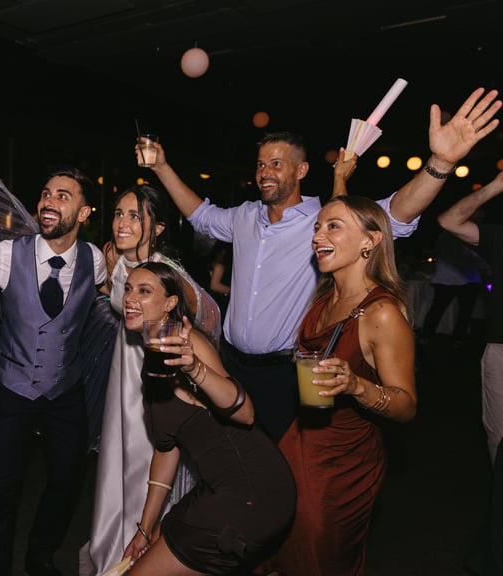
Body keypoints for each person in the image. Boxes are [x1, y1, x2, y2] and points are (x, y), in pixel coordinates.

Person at [143, 87, 501, 442]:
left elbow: (395, 213)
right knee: (234, 459)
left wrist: (440, 164)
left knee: (284, 464)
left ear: (301, 170)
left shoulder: (324, 221)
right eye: (261, 164)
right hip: (231, 364)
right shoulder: (244, 216)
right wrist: (161, 166)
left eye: (277, 164)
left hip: (286, 372)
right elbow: (202, 216)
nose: (265, 172)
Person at [259, 195, 418, 576]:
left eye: (333, 227)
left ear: (370, 241)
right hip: (299, 445)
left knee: (319, 560)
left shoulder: (381, 313)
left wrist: (357, 386)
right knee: (276, 553)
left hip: (344, 466)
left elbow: (407, 406)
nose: (317, 236)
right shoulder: (323, 298)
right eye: (317, 227)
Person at [117, 262, 296, 575]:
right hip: (217, 487)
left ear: (170, 303)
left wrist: (194, 368)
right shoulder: (156, 357)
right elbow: (166, 450)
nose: (130, 298)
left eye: (144, 291)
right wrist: (144, 529)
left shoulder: (189, 346)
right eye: (128, 289)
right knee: (159, 543)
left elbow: (245, 413)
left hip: (250, 491)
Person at [80, 184, 221, 576]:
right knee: (115, 462)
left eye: (135, 216)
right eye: (118, 214)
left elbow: (207, 317)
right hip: (120, 373)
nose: (122, 223)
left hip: (154, 374)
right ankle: (112, 551)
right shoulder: (114, 259)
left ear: (157, 228)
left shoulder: (165, 270)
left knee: (145, 466)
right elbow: (109, 299)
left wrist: (181, 351)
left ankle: (142, 556)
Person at [0, 167, 107, 576]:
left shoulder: (95, 260)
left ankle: (40, 556)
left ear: (84, 213)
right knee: (0, 490)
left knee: (67, 481)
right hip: (12, 390)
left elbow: (111, 304)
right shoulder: (4, 256)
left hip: (66, 392)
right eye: (47, 193)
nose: (49, 201)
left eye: (63, 196)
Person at [437, 169, 503, 468]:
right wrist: (495, 186)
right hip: (501, 349)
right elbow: (449, 221)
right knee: (499, 439)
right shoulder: (498, 236)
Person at [421, 228, 489, 347]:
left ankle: (428, 336)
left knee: (442, 310)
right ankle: (454, 338)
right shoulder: (461, 233)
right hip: (459, 278)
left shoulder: (444, 235)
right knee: (456, 311)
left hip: (456, 278)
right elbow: (473, 255)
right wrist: (488, 268)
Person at [208, 240, 232, 318]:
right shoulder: (219, 266)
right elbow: (214, 286)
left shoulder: (216, 264)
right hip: (218, 301)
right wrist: (232, 291)